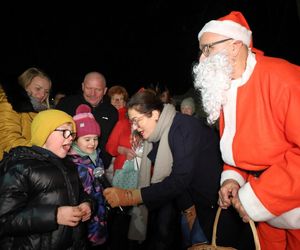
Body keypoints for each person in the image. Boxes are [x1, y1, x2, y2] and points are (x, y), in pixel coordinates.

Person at [194, 11, 300, 250]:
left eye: (207, 48)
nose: (202, 58)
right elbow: (240, 149)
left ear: (235, 46)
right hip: (265, 213)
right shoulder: (226, 88)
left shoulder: (283, 78)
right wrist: (233, 178)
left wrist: (256, 196)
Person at [103, 90, 225, 249]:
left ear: (154, 114)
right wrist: (187, 207)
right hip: (190, 205)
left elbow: (179, 178)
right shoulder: (160, 133)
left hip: (210, 206)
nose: (134, 127)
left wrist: (131, 196)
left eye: (136, 120)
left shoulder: (183, 128)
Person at [0, 109, 93, 249]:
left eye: (72, 133)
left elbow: (81, 195)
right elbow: (5, 220)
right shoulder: (20, 168)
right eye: (65, 132)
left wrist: (88, 205)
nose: (70, 138)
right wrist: (54, 215)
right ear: (45, 132)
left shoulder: (69, 165)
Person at [56, 72, 118, 168]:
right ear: (83, 86)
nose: (92, 94)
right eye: (89, 88)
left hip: (98, 166)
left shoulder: (112, 112)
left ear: (105, 90)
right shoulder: (66, 104)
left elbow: (113, 140)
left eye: (98, 89)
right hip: (67, 165)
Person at [68, 104, 108, 249]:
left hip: (100, 209)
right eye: (87, 139)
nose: (93, 143)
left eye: (95, 139)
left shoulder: (96, 157)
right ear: (75, 140)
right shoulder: (72, 162)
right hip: (85, 214)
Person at [0, 67, 52, 160]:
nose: (42, 95)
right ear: (25, 84)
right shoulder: (11, 103)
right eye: (38, 88)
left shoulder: (43, 111)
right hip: (9, 165)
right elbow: (8, 141)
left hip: (31, 163)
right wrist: (44, 151)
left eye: (46, 92)